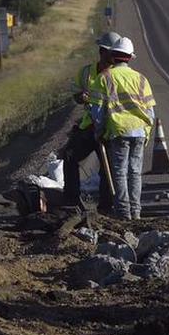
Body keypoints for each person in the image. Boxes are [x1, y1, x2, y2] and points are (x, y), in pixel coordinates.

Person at [94, 36, 156, 220]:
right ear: (130, 57)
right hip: (139, 131)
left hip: (118, 130)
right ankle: (136, 211)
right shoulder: (141, 79)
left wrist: (99, 132)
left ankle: (123, 212)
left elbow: (97, 112)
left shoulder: (104, 78)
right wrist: (146, 133)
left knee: (120, 172)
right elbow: (150, 112)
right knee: (135, 172)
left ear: (113, 56)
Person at [61, 31, 119, 213]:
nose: (116, 56)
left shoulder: (118, 74)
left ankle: (106, 207)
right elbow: (76, 94)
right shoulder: (86, 72)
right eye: (113, 52)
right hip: (89, 126)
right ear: (102, 51)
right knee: (69, 156)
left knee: (108, 169)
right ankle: (72, 201)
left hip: (109, 128)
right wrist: (81, 97)